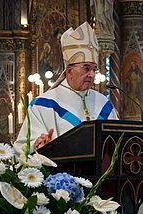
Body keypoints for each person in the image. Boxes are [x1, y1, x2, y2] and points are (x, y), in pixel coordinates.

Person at [14, 22, 118, 154]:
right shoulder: (44, 105)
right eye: (86, 68)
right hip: (61, 174)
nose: (91, 74)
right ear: (69, 70)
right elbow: (21, 148)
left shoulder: (104, 103)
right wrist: (38, 145)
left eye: (94, 69)